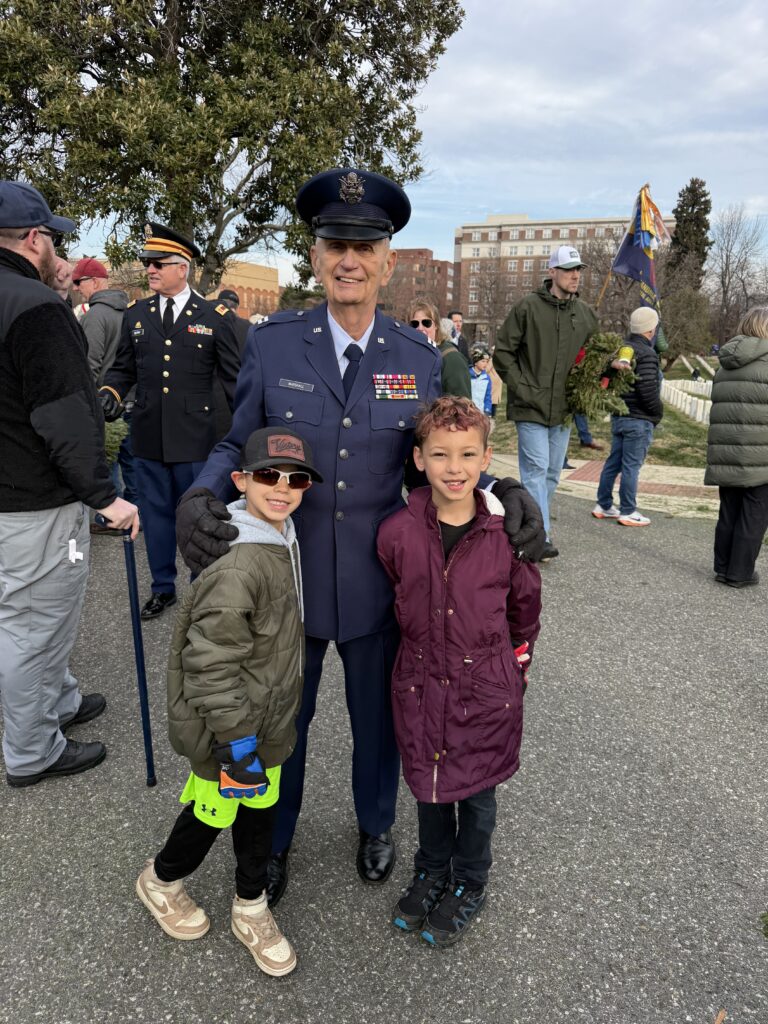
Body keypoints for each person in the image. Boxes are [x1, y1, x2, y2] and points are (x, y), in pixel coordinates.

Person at [174, 166, 545, 907]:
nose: (349, 258)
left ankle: (377, 824)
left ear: (387, 259)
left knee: (380, 721)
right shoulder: (275, 343)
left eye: (365, 245)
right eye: (334, 243)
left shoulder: (416, 358)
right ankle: (272, 841)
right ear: (315, 255)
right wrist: (199, 492)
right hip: (290, 581)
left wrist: (500, 490)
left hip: (386, 585)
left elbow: (447, 451)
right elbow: (236, 439)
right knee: (283, 721)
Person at [136, 426, 321, 975]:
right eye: (267, 475)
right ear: (240, 481)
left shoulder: (280, 535)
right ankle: (162, 879)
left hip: (266, 724)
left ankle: (251, 905)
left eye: (296, 479)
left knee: (259, 816)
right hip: (232, 733)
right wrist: (236, 740)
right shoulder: (241, 561)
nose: (282, 487)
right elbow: (210, 662)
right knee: (210, 816)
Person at [377, 396, 541, 946]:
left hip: (486, 688)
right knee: (430, 785)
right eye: (441, 454)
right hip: (421, 685)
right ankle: (431, 868)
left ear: (486, 458)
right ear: (419, 459)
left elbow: (525, 609)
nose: (455, 467)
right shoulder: (397, 532)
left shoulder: (506, 536)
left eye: (468, 454)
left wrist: (515, 668)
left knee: (476, 794)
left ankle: (470, 880)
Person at [0, 180, 139, 788]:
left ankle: (58, 701)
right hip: (36, 502)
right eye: (53, 237)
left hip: (15, 498)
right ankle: (31, 749)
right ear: (35, 239)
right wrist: (104, 495)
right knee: (35, 620)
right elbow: (61, 415)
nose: (59, 250)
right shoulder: (35, 306)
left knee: (35, 614)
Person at [100, 224, 240, 619]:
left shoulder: (214, 316)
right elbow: (122, 369)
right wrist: (109, 394)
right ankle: (163, 587)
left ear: (185, 267)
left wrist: (246, 434)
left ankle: (201, 587)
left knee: (197, 518)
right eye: (147, 263)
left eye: (158, 263)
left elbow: (235, 382)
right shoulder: (137, 314)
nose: (150, 270)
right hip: (148, 438)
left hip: (197, 440)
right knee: (156, 518)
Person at [494, 245, 599, 562]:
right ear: (552, 272)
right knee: (536, 471)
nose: (575, 276)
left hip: (563, 410)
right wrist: (523, 387)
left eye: (578, 270)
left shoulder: (585, 315)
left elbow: (595, 356)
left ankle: (532, 524)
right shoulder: (527, 307)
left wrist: (609, 369)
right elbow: (503, 353)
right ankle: (542, 537)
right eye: (568, 270)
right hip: (531, 407)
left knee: (553, 473)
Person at [705, 306, 768, 587]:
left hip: (726, 450)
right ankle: (739, 572)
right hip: (760, 452)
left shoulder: (725, 364)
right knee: (754, 514)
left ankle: (722, 567)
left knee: (729, 510)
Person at [73, 258, 136, 514]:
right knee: (132, 464)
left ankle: (111, 517)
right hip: (132, 400)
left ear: (95, 282)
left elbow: (89, 365)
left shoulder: (96, 315)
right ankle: (136, 511)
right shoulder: (130, 313)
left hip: (106, 404)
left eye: (79, 282)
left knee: (107, 460)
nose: (76, 288)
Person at [592, 306, 663, 527]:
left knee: (614, 462)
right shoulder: (647, 354)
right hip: (639, 417)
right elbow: (647, 390)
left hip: (620, 415)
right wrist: (657, 413)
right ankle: (628, 510)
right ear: (651, 330)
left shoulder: (623, 350)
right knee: (631, 465)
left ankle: (603, 504)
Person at [408, 298, 471, 399]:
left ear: (436, 325)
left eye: (426, 323)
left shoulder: (451, 358)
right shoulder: (409, 355)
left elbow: (462, 406)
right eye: (414, 324)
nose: (420, 328)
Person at [469, 346, 492, 415]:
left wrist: (487, 410)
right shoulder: (467, 375)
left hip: (481, 412)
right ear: (475, 362)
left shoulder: (486, 378)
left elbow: (488, 396)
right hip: (468, 412)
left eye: (487, 362)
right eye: (483, 361)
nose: (485, 364)